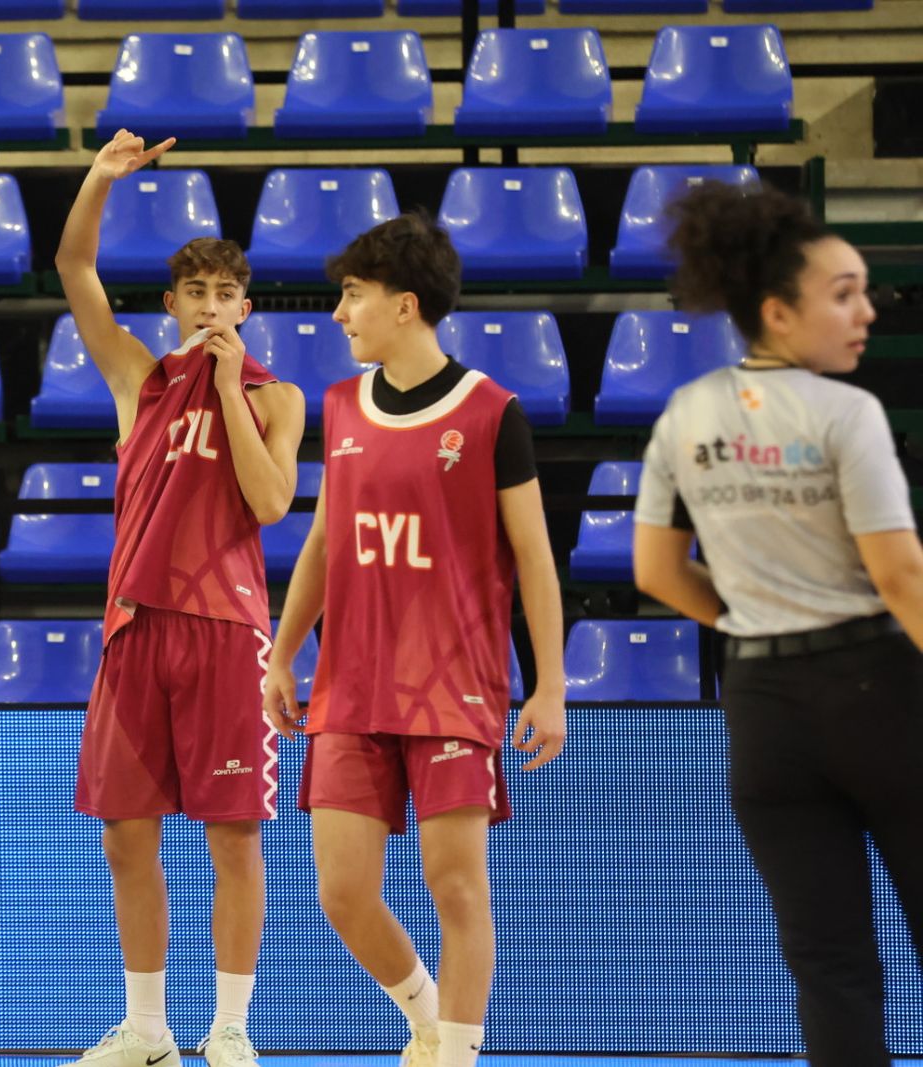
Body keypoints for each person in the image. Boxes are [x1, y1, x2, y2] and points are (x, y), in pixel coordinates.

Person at [263, 214, 567, 1067]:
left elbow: (536, 560)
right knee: (343, 892)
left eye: (352, 296)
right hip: (352, 682)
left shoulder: (491, 412)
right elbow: (324, 541)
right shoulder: (339, 406)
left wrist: (549, 685)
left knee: (455, 883)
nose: (338, 314)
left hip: (453, 683)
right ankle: (430, 1017)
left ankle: (459, 1056)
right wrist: (283, 652)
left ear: (405, 305)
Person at [632, 182, 923, 1067]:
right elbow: (900, 573)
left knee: (828, 963)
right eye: (844, 293)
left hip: (762, 710)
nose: (866, 310)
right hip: (879, 690)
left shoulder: (687, 413)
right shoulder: (847, 413)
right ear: (778, 313)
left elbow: (654, 570)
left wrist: (752, 621)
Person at [54, 129, 307, 1067]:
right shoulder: (136, 377)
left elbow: (272, 502)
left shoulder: (277, 397)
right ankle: (148, 1027)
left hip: (226, 631)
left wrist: (233, 385)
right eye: (194, 293)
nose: (209, 306)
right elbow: (73, 264)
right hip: (133, 630)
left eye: (225, 293)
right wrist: (99, 178)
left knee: (233, 838)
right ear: (171, 305)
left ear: (245, 306)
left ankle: (231, 1027)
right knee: (127, 838)